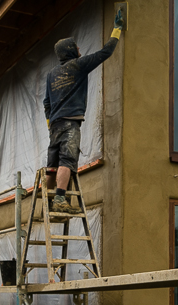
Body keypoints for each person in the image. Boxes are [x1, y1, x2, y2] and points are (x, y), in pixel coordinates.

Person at [43, 8, 125, 213]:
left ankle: (47, 205)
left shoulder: (51, 74)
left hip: (54, 125)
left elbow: (46, 103)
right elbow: (105, 52)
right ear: (70, 50)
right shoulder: (78, 65)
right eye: (76, 46)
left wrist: (50, 125)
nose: (79, 49)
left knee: (51, 165)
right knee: (67, 161)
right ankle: (60, 200)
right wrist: (117, 30)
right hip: (70, 122)